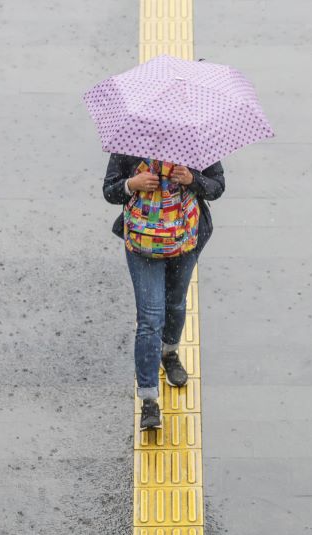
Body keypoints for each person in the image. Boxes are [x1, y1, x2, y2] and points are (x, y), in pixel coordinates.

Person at [102, 152, 226, 429]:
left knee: (176, 303)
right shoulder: (130, 143)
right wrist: (131, 185)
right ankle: (148, 398)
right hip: (143, 245)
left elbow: (217, 187)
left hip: (185, 241)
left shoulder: (195, 140)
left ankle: (169, 352)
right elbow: (110, 191)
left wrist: (193, 179)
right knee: (149, 317)